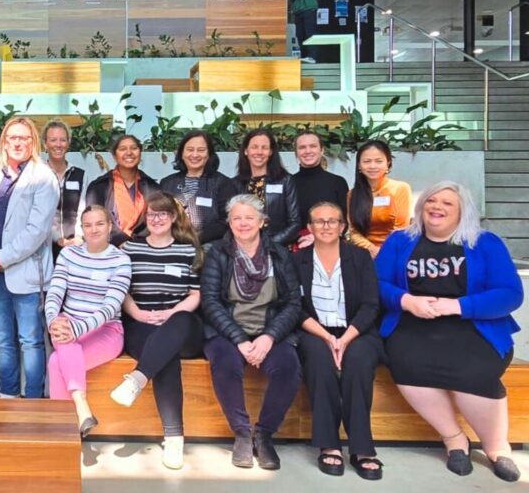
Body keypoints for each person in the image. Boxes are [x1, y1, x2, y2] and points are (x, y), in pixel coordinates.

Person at [376, 181, 522, 482]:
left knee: (474, 371)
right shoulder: (399, 241)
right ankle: (454, 439)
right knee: (405, 363)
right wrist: (406, 300)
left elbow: (510, 293)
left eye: (447, 203)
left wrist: (458, 307)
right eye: (431, 200)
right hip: (413, 323)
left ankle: (497, 447)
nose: (436, 207)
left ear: (461, 211)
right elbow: (376, 284)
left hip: (471, 326)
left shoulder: (485, 243)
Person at [200, 194, 302, 471]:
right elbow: (210, 302)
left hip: (270, 331)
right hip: (227, 332)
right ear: (229, 223)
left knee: (288, 367)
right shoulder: (217, 254)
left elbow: (293, 303)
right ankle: (242, 433)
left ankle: (265, 433)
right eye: (236, 218)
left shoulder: (279, 255)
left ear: (262, 222)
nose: (243, 223)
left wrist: (269, 337)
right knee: (226, 364)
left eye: (249, 217)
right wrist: (240, 340)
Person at [109, 192, 206, 470]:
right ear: (145, 218)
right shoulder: (130, 249)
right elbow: (123, 291)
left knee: (180, 323)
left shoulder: (188, 250)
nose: (157, 219)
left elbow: (194, 295)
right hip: (141, 323)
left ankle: (137, 379)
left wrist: (170, 313)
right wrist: (138, 313)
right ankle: (174, 438)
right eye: (152, 214)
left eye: (163, 214)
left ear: (174, 217)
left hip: (180, 324)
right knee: (165, 357)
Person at [294, 202, 384, 479]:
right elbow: (293, 306)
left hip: (355, 330)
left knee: (357, 362)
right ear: (309, 227)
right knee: (319, 363)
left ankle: (361, 447)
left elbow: (371, 305)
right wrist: (326, 337)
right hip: (313, 330)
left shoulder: (359, 257)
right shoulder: (296, 260)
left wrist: (344, 339)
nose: (325, 226)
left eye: (332, 221)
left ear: (343, 227)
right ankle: (328, 444)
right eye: (319, 221)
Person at [0, 117, 59, 399]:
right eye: (13, 137)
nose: (18, 143)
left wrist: (1, 257)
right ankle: (7, 397)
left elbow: (36, 230)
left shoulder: (43, 177)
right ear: (4, 142)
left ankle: (34, 401)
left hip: (26, 273)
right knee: (3, 341)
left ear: (33, 142)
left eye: (25, 138)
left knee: (31, 341)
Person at [45, 205, 131, 437]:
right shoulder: (69, 254)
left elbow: (111, 306)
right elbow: (55, 292)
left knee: (56, 362)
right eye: (88, 225)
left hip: (106, 331)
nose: (94, 230)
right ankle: (80, 410)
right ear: (82, 228)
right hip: (68, 323)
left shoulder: (121, 260)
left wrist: (77, 328)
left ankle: (62, 429)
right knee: (59, 346)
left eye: (99, 224)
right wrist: (53, 319)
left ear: (110, 226)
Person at [159, 130, 236, 244]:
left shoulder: (223, 183)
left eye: (201, 150)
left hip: (209, 247)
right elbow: (159, 215)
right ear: (181, 153)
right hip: (171, 245)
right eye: (190, 150)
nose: (195, 155)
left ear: (209, 154)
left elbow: (227, 220)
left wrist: (196, 238)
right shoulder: (167, 183)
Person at [85, 134, 160, 247]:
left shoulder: (153, 187)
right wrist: (121, 241)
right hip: (108, 249)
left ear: (140, 153)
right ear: (114, 155)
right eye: (123, 149)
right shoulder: (98, 187)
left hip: (144, 248)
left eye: (134, 148)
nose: (129, 153)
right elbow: (94, 219)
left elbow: (157, 220)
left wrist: (137, 244)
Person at [233, 129, 302, 247]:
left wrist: (267, 245)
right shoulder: (235, 183)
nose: (259, 152)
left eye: (264, 148)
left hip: (276, 249)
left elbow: (295, 223)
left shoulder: (285, 180)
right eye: (254, 147)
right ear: (246, 151)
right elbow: (231, 221)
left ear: (270, 152)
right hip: (243, 249)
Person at [348, 140, 412, 258]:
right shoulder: (352, 194)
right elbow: (354, 232)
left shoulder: (400, 188)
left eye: (379, 161)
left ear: (388, 164)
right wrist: (372, 250)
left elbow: (402, 229)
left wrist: (384, 252)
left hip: (395, 252)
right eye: (367, 161)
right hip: (363, 254)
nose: (373, 166)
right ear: (359, 166)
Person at [293, 131, 348, 249]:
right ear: (296, 153)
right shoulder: (287, 183)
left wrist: (318, 237)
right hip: (297, 246)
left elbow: (345, 221)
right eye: (302, 147)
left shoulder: (338, 182)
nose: (308, 151)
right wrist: (301, 238)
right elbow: (284, 223)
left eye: (313, 146)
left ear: (322, 150)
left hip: (332, 245)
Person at [43, 120, 86, 258]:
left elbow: (83, 209)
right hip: (45, 245)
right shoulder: (38, 174)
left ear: (68, 143)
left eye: (63, 140)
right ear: (45, 144)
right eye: (53, 140)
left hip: (75, 245)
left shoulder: (79, 174)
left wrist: (79, 237)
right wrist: (56, 237)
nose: (58, 144)